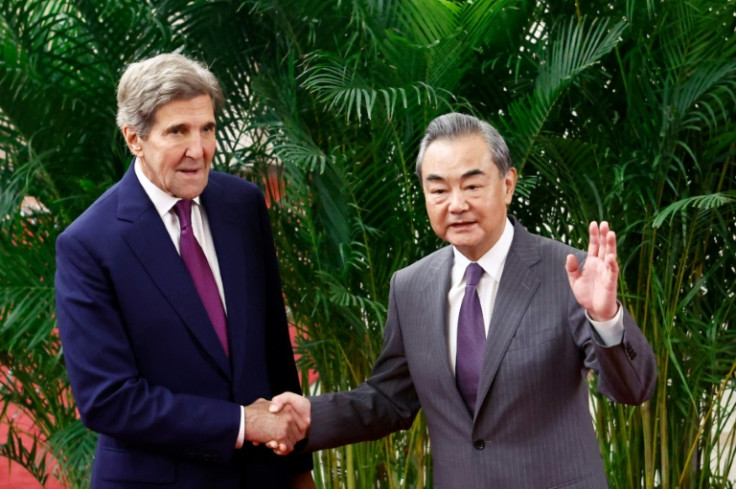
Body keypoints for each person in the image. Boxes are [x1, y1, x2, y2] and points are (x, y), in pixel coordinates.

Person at [270, 112, 657, 488]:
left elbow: (632, 390)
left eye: (472, 186)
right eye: (438, 190)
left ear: (507, 185)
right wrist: (310, 417)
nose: (456, 204)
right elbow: (391, 399)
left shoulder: (568, 272)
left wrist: (605, 317)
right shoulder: (410, 287)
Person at [55, 53, 314, 489]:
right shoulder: (88, 244)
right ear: (134, 138)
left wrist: (298, 471)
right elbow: (108, 400)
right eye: (178, 131)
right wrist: (240, 423)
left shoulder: (243, 204)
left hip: (262, 477)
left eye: (207, 129)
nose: (200, 150)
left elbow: (274, 350)